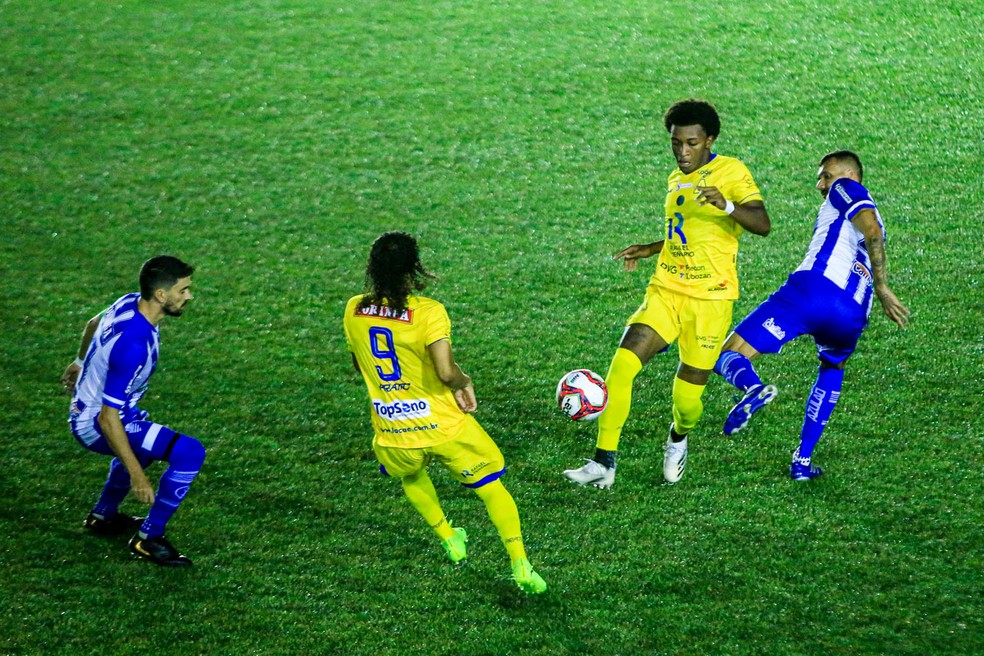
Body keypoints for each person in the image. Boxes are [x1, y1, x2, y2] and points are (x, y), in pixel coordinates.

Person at [564, 98, 771, 488]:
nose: (683, 151)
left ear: (710, 139)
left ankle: (678, 439)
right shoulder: (676, 179)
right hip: (666, 290)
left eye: (692, 143)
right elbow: (686, 232)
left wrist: (726, 204)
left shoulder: (730, 171)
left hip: (710, 300)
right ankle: (603, 462)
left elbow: (762, 223)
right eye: (676, 143)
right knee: (622, 366)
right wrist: (650, 248)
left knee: (689, 403)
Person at [343, 231, 547, 594]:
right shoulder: (428, 312)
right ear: (413, 267)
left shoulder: (354, 309)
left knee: (412, 476)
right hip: (444, 425)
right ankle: (520, 563)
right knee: (491, 489)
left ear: (372, 267)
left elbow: (360, 366)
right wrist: (464, 382)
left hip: (393, 429)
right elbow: (446, 372)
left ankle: (449, 537)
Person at [714, 150, 909, 479]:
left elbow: (870, 231)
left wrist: (884, 287)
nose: (821, 184)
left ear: (848, 176)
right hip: (851, 316)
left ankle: (752, 388)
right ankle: (802, 461)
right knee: (833, 367)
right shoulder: (875, 212)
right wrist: (877, 289)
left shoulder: (845, 189)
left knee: (726, 354)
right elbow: (875, 236)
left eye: (826, 176)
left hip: (814, 291)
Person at [62, 255, 205, 566]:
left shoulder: (129, 302)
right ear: (161, 295)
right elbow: (108, 418)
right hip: (96, 422)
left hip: (93, 411)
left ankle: (103, 517)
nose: (188, 297)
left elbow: (94, 323)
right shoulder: (134, 345)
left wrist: (80, 361)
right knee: (190, 453)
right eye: (183, 291)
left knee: (144, 442)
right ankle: (148, 538)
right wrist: (138, 478)